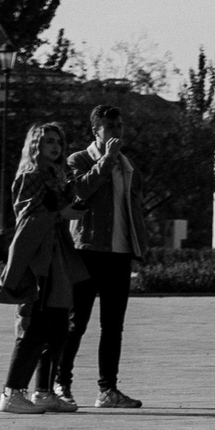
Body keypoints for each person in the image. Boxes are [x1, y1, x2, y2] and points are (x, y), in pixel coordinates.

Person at [57, 103, 153, 410]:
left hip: (119, 253)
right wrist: (106, 159)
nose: (117, 132)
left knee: (113, 327)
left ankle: (108, 390)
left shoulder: (126, 165)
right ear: (95, 131)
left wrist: (140, 243)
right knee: (76, 323)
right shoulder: (79, 159)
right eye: (110, 127)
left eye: (120, 126)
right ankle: (61, 384)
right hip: (87, 250)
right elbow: (79, 192)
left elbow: (133, 206)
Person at [0, 122, 87, 414]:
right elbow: (26, 219)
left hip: (57, 260)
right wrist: (61, 214)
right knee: (34, 327)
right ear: (35, 145)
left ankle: (43, 392)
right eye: (48, 141)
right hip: (39, 262)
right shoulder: (30, 176)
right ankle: (12, 393)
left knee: (58, 328)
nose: (55, 146)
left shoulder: (56, 177)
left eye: (58, 141)